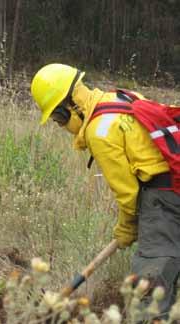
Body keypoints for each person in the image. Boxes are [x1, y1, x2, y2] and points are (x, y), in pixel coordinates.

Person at [31, 63, 180, 320]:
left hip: (164, 196)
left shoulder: (99, 130)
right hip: (172, 185)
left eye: (58, 118)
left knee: (149, 282)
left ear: (72, 106)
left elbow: (128, 194)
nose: (60, 126)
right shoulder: (118, 97)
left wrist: (125, 229)